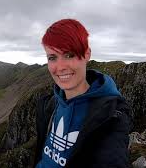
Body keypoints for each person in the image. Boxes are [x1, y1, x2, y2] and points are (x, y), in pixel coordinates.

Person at [35, 19, 132, 168]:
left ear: (87, 54)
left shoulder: (111, 117)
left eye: (69, 55)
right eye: (52, 57)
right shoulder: (50, 104)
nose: (60, 67)